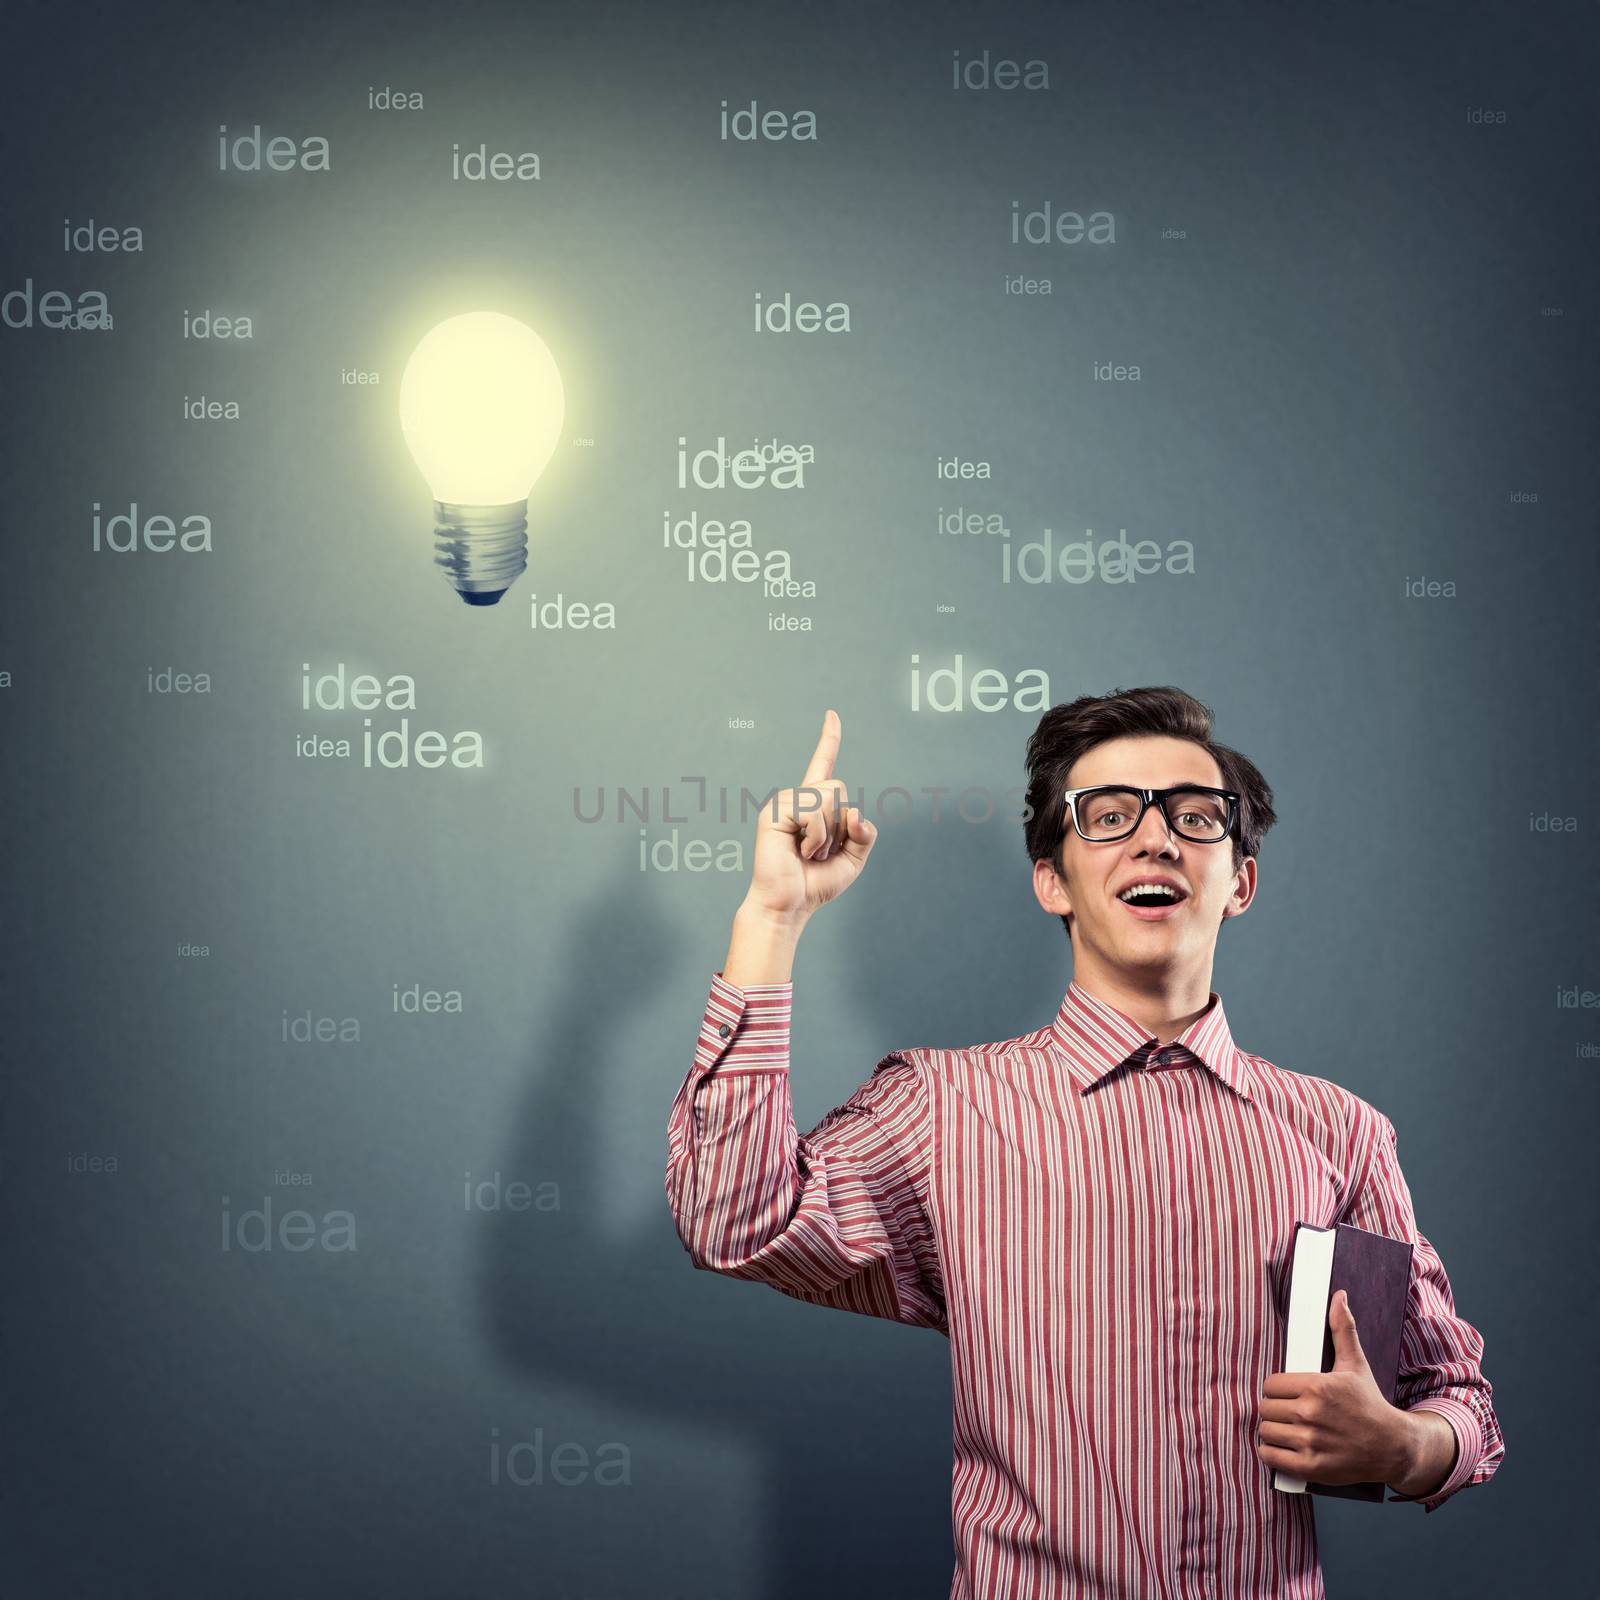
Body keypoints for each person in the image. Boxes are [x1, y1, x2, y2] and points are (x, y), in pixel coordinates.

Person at [664, 687, 1505, 1599]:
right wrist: (772, 921)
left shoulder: (1340, 1131)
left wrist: (1408, 1446)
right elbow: (732, 1221)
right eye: (1108, 817)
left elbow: (1457, 1395)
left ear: (1241, 883)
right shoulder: (944, 1105)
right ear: (1052, 880)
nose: (1156, 839)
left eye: (1194, 816)